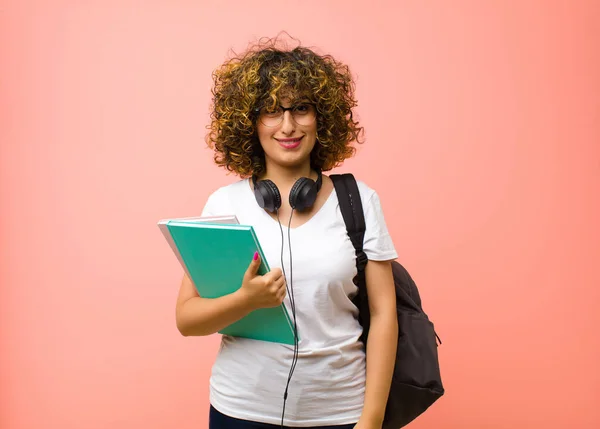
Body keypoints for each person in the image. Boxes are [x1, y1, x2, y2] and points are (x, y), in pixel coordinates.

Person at [175, 36, 399, 429]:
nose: (288, 125)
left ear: (322, 117)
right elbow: (187, 320)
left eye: (301, 108)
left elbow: (383, 314)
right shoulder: (224, 205)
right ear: (249, 121)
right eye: (271, 111)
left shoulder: (360, 201)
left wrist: (372, 419)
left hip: (340, 413)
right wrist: (246, 299)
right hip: (240, 411)